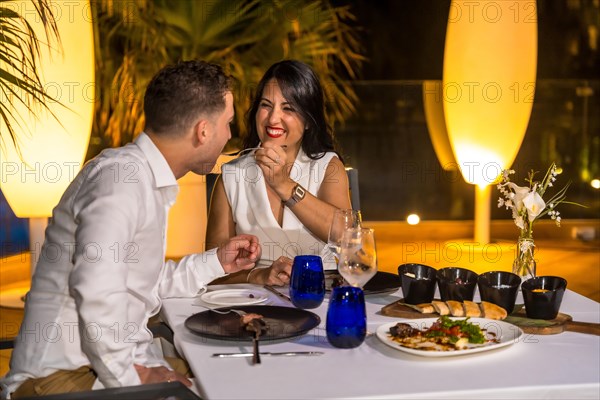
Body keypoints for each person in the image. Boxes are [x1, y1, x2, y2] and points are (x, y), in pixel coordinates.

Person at [0, 60, 261, 399]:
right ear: (203, 131)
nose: (230, 134)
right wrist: (132, 378)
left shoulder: (138, 178)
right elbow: (95, 287)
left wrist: (217, 263)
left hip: (99, 368)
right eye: (228, 124)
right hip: (60, 381)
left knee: (238, 371)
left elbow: (138, 282)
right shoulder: (120, 181)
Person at [206, 60, 351, 286]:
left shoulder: (328, 166)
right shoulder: (232, 176)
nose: (273, 119)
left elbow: (347, 238)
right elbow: (211, 270)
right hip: (254, 302)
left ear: (308, 122)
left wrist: (284, 184)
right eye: (266, 105)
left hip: (320, 295)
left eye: (288, 108)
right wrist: (259, 276)